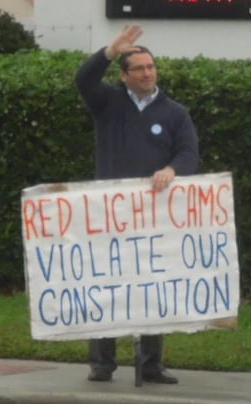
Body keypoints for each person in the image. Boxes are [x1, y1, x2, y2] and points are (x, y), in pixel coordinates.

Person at [75, 25, 199, 384]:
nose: (147, 73)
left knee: (151, 284)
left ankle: (150, 363)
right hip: (110, 213)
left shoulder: (174, 112)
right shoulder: (107, 103)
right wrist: (108, 51)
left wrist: (172, 170)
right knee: (106, 284)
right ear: (124, 76)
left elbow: (189, 152)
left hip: (154, 213)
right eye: (139, 68)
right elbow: (83, 80)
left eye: (151, 67)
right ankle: (102, 363)